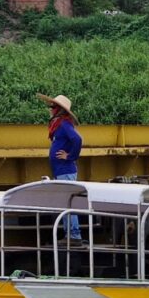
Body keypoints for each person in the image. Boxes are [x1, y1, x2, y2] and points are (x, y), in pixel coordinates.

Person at [39, 93, 83, 240]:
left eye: (53, 107)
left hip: (66, 170)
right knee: (65, 202)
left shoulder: (64, 124)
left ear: (59, 110)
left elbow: (77, 139)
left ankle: (74, 234)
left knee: (68, 203)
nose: (50, 109)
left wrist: (70, 156)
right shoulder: (59, 125)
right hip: (60, 170)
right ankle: (69, 234)